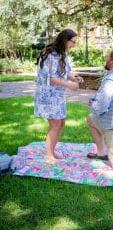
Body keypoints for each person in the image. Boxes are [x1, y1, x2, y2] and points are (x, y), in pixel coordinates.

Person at [34, 29, 84, 163]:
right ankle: (49, 155)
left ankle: (52, 150)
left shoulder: (63, 54)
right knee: (55, 123)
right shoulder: (50, 54)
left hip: (58, 95)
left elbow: (65, 72)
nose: (74, 45)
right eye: (73, 42)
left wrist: (74, 79)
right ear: (65, 40)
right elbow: (50, 78)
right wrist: (69, 85)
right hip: (47, 96)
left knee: (61, 122)